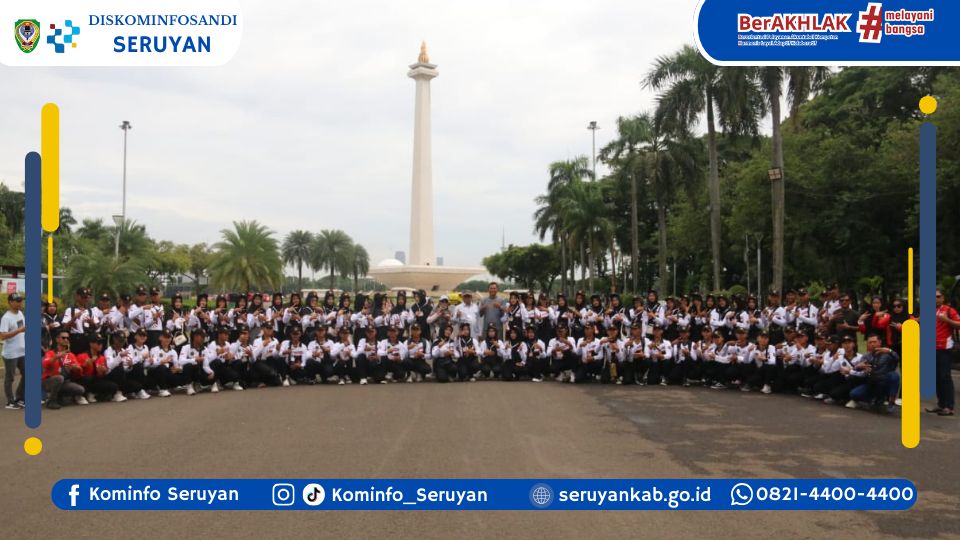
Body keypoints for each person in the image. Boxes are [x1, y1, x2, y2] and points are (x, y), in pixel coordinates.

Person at [848, 334, 901, 413]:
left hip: (884, 382)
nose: (872, 344)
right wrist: (858, 367)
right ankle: (873, 400)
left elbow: (898, 358)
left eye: (874, 342)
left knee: (894, 376)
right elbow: (858, 371)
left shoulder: (887, 354)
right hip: (871, 382)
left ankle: (891, 402)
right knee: (854, 394)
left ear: (879, 342)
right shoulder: (866, 356)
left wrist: (890, 351)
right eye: (870, 342)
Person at [929, 289, 960, 416]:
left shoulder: (949, 310)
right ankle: (941, 404)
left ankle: (949, 406)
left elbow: (959, 324)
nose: (935, 298)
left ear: (943, 298)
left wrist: (946, 320)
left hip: (944, 349)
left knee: (945, 377)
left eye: (938, 296)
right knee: (936, 377)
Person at [42, 331, 86, 409]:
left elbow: (79, 369)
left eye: (67, 338)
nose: (66, 340)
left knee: (80, 389)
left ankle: (61, 396)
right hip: (49, 381)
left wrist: (76, 368)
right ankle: (52, 402)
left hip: (64, 381)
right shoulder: (51, 353)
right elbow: (45, 364)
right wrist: (56, 357)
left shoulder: (70, 355)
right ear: (57, 339)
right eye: (63, 338)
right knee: (59, 378)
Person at [74, 334, 121, 403]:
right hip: (84, 381)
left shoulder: (102, 358)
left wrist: (103, 371)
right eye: (98, 343)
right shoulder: (82, 356)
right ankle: (81, 395)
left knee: (113, 386)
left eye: (101, 343)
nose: (100, 345)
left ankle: (96, 394)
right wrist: (85, 365)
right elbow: (76, 375)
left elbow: (101, 375)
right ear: (91, 344)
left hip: (95, 381)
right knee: (88, 378)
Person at [2, 293, 26, 409]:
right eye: (17, 301)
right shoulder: (6, 318)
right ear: (10, 302)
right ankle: (10, 402)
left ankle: (19, 398)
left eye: (20, 301)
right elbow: (3, 336)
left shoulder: (20, 313)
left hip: (22, 351)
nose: (19, 303)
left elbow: (23, 329)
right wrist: (19, 330)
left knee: (27, 374)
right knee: (10, 378)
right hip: (11, 353)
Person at [145, 330, 176, 397]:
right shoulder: (154, 349)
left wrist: (177, 368)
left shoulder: (173, 351)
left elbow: (177, 364)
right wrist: (161, 362)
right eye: (165, 337)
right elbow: (151, 365)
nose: (167, 339)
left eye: (169, 337)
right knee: (162, 367)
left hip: (166, 372)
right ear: (160, 338)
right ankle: (162, 389)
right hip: (155, 373)